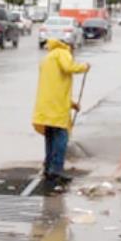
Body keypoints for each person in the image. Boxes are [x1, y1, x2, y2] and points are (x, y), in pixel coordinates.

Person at [32, 38, 90, 188]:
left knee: (50, 138)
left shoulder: (48, 57)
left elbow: (55, 86)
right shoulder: (63, 53)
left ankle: (49, 169)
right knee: (60, 140)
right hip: (56, 109)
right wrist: (84, 67)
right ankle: (56, 171)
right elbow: (68, 67)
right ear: (69, 47)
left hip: (46, 107)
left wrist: (72, 104)